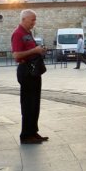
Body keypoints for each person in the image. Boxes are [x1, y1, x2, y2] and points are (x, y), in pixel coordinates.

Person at [11, 9, 49, 144]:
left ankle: (33, 131)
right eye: (32, 19)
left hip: (34, 71)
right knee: (28, 104)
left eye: (35, 19)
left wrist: (39, 50)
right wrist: (35, 50)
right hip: (26, 71)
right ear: (24, 19)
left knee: (35, 103)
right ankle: (26, 135)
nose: (34, 22)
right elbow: (16, 55)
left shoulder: (28, 33)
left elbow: (29, 50)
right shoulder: (18, 33)